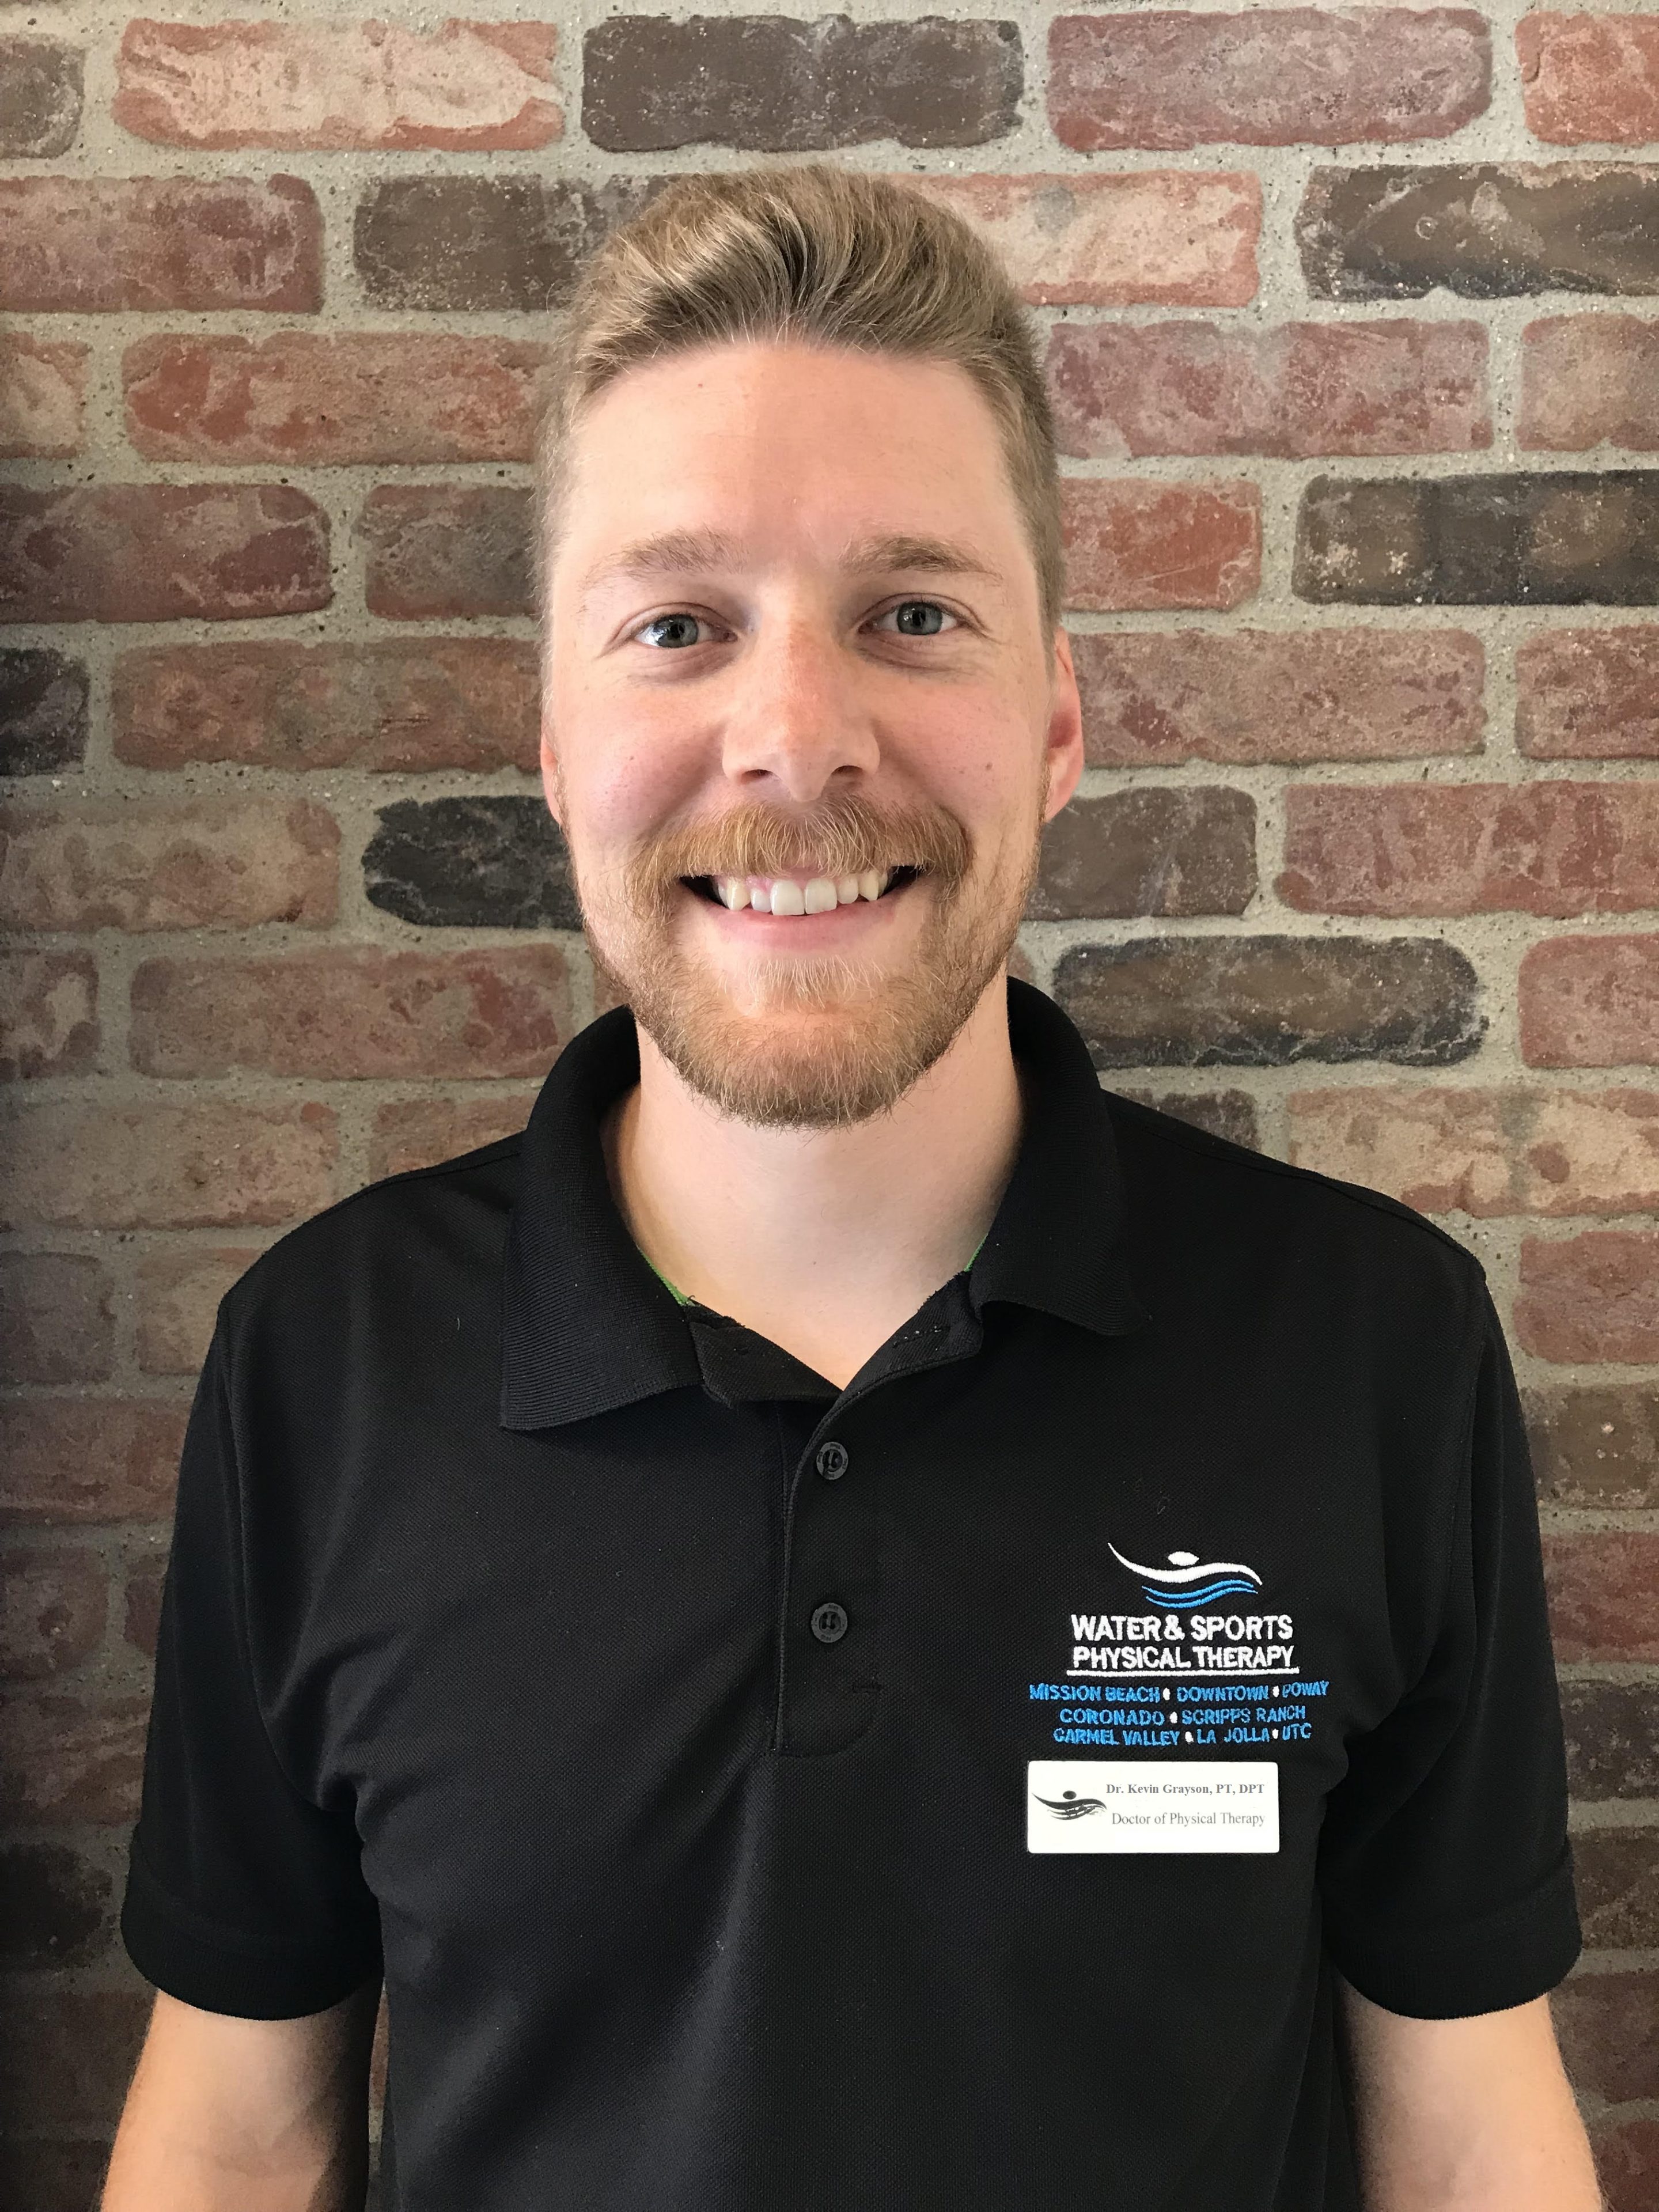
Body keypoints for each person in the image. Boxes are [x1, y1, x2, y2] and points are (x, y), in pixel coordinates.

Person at [104, 166, 1600, 2212]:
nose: (795, 739)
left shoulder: (1367, 1347)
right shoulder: (325, 1363)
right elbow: (233, 2132)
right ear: (553, 745)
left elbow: (1469, 2132)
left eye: (912, 616)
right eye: (678, 627)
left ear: (1052, 721)